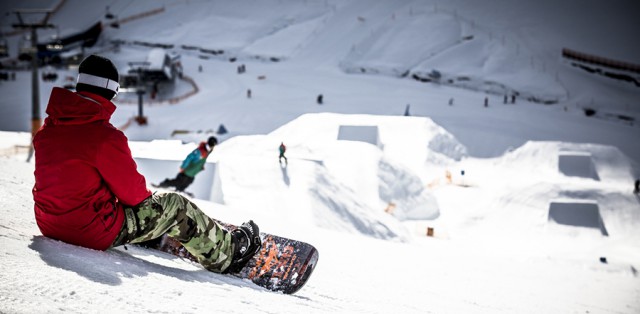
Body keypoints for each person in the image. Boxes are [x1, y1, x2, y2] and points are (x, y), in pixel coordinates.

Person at [32, 55, 260, 274]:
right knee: (174, 204)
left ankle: (150, 233)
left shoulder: (49, 128)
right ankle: (228, 254)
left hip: (49, 223)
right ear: (112, 91)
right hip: (89, 232)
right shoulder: (104, 137)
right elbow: (135, 196)